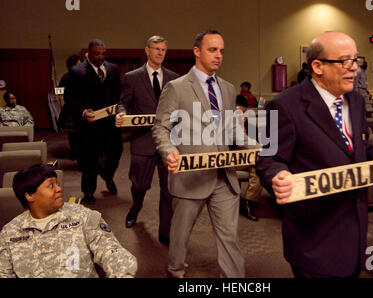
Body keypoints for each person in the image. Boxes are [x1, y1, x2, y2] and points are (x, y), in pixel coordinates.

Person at [256, 31, 373, 278]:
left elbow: (361, 150)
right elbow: (268, 158)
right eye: (345, 61)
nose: (355, 68)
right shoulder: (283, 105)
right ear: (318, 66)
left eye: (357, 60)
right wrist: (278, 175)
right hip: (313, 233)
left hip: (354, 228)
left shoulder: (355, 100)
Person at [152, 30, 255, 278]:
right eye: (212, 49)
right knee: (180, 234)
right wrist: (169, 152)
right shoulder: (175, 88)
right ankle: (175, 270)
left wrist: (252, 147)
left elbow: (232, 128)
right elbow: (160, 127)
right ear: (197, 51)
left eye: (221, 50)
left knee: (230, 237)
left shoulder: (229, 89)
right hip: (190, 175)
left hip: (224, 175)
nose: (218, 55)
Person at [0, 164, 137, 278]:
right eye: (50, 186)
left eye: (57, 184)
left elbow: (112, 252)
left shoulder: (81, 216)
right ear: (29, 196)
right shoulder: (10, 233)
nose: (59, 189)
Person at [115, 36, 179, 241]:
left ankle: (165, 232)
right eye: (156, 49)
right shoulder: (133, 77)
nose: (160, 53)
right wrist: (121, 113)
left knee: (169, 190)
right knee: (140, 185)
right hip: (142, 141)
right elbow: (123, 103)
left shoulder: (174, 78)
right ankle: (135, 208)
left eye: (163, 49)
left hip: (168, 143)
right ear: (147, 50)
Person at [64, 39, 123, 204]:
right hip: (88, 124)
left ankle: (107, 174)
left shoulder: (112, 69)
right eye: (97, 54)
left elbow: (118, 93)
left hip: (110, 121)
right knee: (89, 158)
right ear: (89, 53)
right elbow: (69, 98)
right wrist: (83, 111)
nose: (100, 57)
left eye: (103, 53)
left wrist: (120, 109)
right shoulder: (76, 71)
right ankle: (88, 191)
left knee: (116, 151)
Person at [235, 95, 263, 221]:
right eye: (238, 112)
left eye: (243, 113)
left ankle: (248, 202)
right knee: (259, 161)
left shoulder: (252, 127)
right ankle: (248, 203)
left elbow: (257, 143)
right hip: (228, 159)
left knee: (259, 166)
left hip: (247, 160)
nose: (241, 116)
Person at [58, 54, 81, 160]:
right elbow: (61, 91)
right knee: (76, 133)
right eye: (79, 63)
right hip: (74, 108)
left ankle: (75, 152)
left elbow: (60, 91)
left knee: (75, 134)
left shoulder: (67, 76)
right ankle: (75, 152)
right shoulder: (73, 76)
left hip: (74, 108)